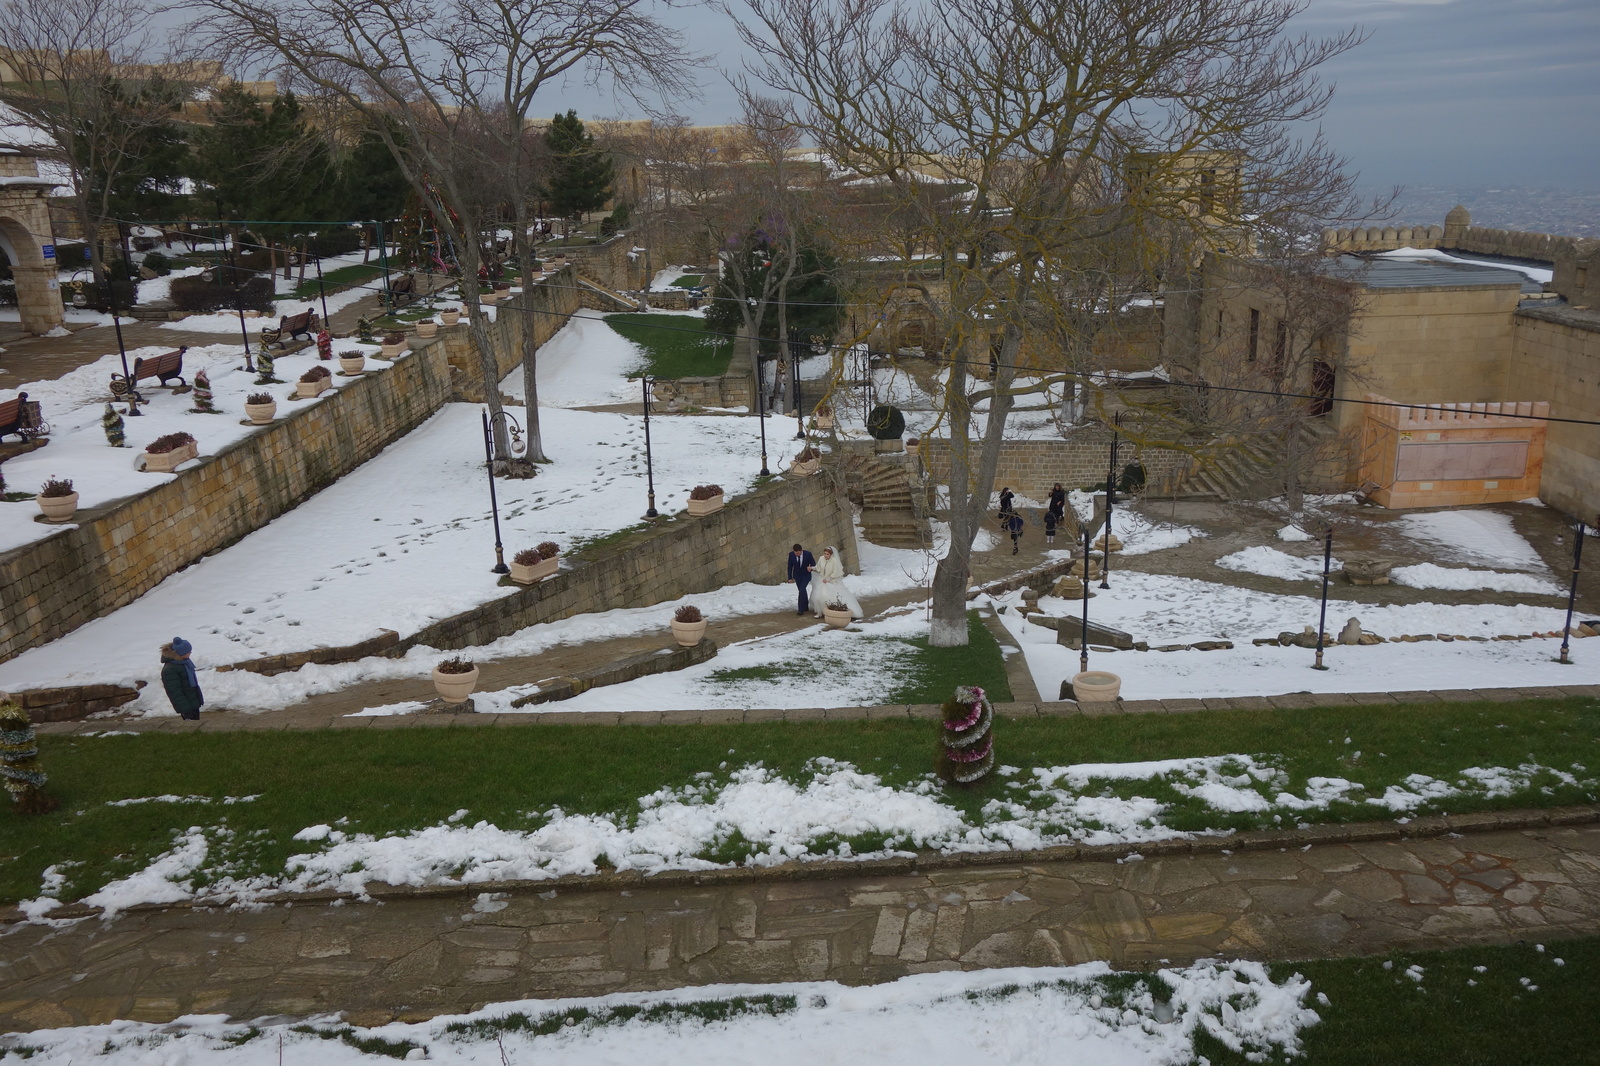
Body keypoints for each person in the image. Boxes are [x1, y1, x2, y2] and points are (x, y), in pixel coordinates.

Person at [811, 545, 863, 618]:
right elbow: (818, 567)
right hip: (822, 580)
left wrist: (828, 579)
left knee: (826, 596)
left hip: (831, 582)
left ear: (831, 555)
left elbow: (836, 573)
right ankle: (820, 612)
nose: (825, 555)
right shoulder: (821, 559)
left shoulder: (834, 561)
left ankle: (829, 612)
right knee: (817, 597)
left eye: (827, 554)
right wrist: (812, 568)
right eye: (825, 553)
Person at [160, 637, 204, 721]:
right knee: (191, 729)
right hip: (186, 706)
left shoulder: (184, 663)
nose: (190, 653)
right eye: (188, 652)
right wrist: (185, 710)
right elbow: (175, 692)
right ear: (180, 653)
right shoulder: (170, 670)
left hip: (193, 702)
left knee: (196, 726)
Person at [786, 543, 815, 615]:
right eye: (795, 553)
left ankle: (800, 609)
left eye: (798, 553)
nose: (796, 554)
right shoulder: (791, 555)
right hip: (797, 576)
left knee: (802, 589)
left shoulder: (808, 554)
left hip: (806, 575)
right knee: (802, 590)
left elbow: (813, 564)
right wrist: (790, 577)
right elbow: (790, 566)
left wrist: (810, 568)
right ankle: (805, 606)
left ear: (801, 551)